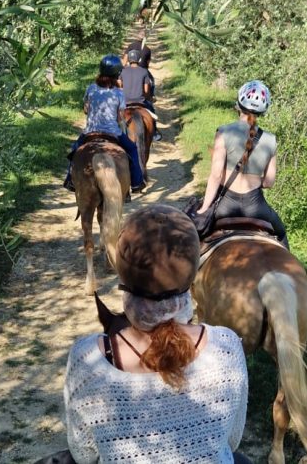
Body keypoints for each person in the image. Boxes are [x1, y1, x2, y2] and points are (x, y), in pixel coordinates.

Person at [62, 205, 250, 463]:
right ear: (191, 273)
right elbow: (232, 440)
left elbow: (83, 454)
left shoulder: (87, 359)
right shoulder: (226, 346)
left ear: (124, 273)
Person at [197, 80, 289, 248]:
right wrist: (254, 178)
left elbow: (216, 176)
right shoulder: (271, 140)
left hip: (226, 206)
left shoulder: (223, 132)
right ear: (264, 110)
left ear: (239, 103)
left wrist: (204, 208)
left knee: (195, 234)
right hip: (256, 207)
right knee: (281, 233)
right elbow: (269, 182)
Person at [62, 54, 146, 192]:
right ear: (117, 73)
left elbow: (86, 109)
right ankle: (136, 182)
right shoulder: (119, 93)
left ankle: (70, 179)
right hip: (113, 132)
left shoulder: (91, 88)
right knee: (131, 148)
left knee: (75, 149)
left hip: (90, 131)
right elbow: (119, 118)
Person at [120, 48, 162, 141]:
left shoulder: (123, 71)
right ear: (139, 59)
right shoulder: (144, 72)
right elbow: (146, 91)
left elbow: (120, 87)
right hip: (140, 102)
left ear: (129, 60)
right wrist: (150, 98)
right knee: (151, 110)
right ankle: (154, 133)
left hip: (125, 103)